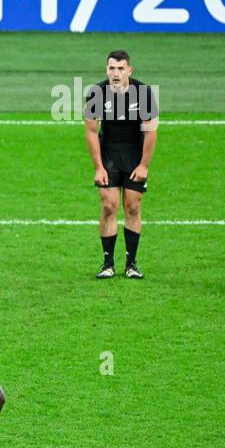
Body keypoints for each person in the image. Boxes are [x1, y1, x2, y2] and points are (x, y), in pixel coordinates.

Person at [85, 50, 157, 280]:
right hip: (109, 155)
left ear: (129, 70)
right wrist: (98, 167)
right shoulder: (96, 93)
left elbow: (151, 131)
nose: (115, 73)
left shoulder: (143, 93)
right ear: (106, 69)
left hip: (134, 154)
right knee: (108, 205)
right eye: (111, 68)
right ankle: (107, 264)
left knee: (133, 207)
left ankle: (131, 264)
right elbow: (91, 132)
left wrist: (144, 165)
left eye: (120, 68)